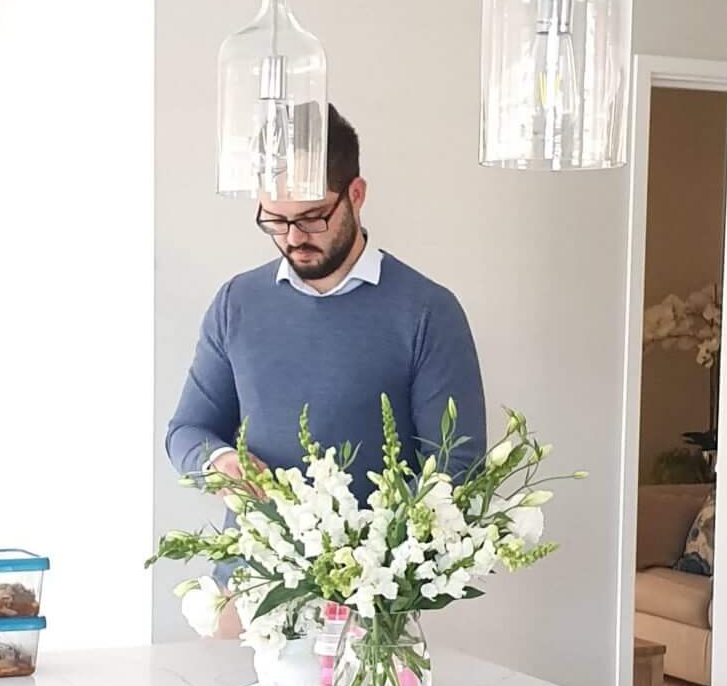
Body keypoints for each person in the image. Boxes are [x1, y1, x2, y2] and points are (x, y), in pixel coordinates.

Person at [165, 107, 487, 500]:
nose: (294, 237)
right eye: (276, 220)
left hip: (383, 559)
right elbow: (186, 431)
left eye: (312, 217)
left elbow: (458, 468)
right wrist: (219, 462)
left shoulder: (427, 312)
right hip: (252, 561)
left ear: (356, 195)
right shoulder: (237, 302)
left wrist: (377, 553)